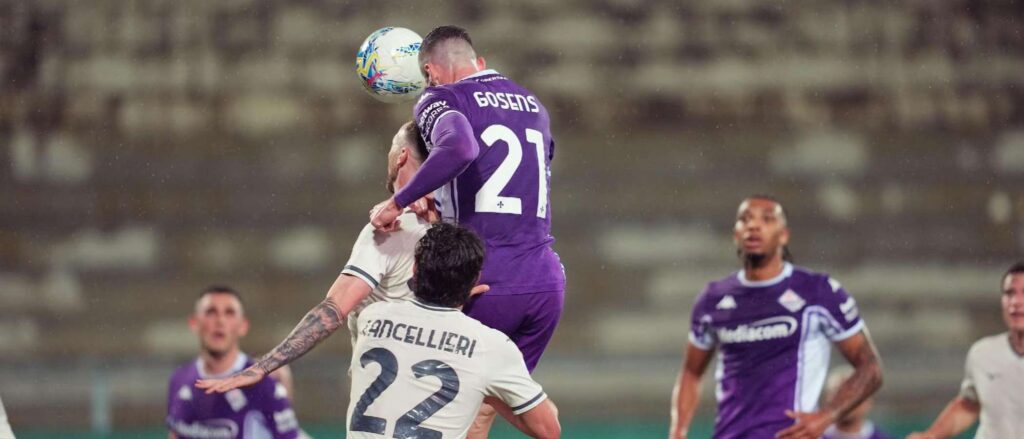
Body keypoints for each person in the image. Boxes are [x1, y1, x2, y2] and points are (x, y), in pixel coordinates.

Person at [367, 25, 565, 436]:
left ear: (430, 71)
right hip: (545, 281)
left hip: (483, 279)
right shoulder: (533, 104)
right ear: (479, 63)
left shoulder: (441, 97)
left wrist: (399, 201)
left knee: (439, 408)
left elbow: (459, 148)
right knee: (490, 407)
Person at [194, 121, 454, 392]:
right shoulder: (462, 230)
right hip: (447, 401)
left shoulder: (389, 231)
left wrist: (262, 367)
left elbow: (333, 310)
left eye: (391, 149)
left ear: (400, 155)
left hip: (386, 406)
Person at [669, 195, 884, 439]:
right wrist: (678, 431)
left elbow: (871, 368)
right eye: (745, 219)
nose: (753, 225)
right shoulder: (713, 299)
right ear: (735, 234)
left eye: (767, 219)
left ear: (784, 235)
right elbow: (691, 372)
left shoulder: (818, 291)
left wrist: (826, 417)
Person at [349, 222, 559, 438]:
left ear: (414, 269)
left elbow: (415, 344)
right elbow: (548, 430)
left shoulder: (372, 317)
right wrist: (488, 390)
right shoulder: (490, 347)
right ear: (475, 279)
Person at [908, 262, 1024, 439]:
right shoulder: (983, 354)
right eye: (1009, 293)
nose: (1016, 302)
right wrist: (930, 435)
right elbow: (969, 404)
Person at [167, 286, 300, 439]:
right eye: (211, 312)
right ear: (194, 323)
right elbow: (175, 432)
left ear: (243, 326)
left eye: (229, 313)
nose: (220, 321)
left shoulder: (263, 382)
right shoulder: (179, 379)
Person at [821, 366, 891, 439]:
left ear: (868, 402)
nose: (845, 403)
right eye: (838, 393)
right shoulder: (815, 436)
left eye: (851, 395)